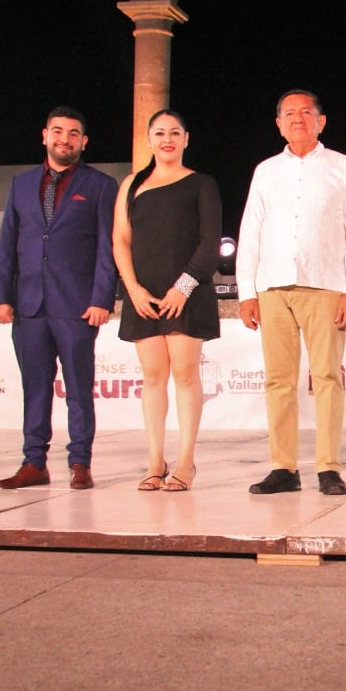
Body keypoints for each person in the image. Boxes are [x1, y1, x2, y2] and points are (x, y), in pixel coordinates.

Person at [236, 90, 346, 496]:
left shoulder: (343, 167)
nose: (298, 119)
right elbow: (250, 231)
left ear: (321, 121)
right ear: (278, 123)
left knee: (327, 376)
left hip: (325, 284)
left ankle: (328, 467)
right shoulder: (266, 171)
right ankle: (284, 468)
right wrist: (246, 291)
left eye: (306, 112)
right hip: (272, 286)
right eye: (289, 113)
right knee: (278, 380)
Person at [0, 107, 118, 490]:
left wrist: (102, 299)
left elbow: (107, 249)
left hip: (78, 306)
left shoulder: (100, 185)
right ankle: (34, 464)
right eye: (58, 131)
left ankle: (80, 462)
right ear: (44, 135)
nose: (65, 138)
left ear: (84, 142)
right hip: (29, 306)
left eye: (74, 133)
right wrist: (1, 296)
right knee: (35, 387)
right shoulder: (21, 184)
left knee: (79, 388)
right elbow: (8, 244)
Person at [112, 109, 221, 492]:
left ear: (186, 138)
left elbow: (210, 244)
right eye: (159, 133)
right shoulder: (131, 185)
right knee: (153, 376)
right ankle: (154, 462)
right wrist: (133, 289)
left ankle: (186, 464)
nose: (167, 139)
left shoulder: (201, 183)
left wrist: (184, 287)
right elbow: (120, 241)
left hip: (186, 294)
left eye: (175, 132)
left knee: (185, 374)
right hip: (143, 295)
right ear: (149, 139)